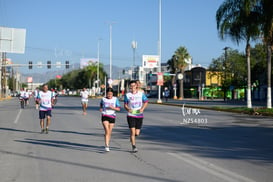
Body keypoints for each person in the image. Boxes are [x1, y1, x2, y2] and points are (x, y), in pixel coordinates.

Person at [124, 80, 148, 152]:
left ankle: (132, 138)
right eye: (131, 86)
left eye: (134, 86)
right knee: (132, 132)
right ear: (129, 87)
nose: (132, 87)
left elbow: (146, 102)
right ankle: (134, 146)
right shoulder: (127, 95)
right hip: (131, 115)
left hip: (139, 115)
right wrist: (128, 109)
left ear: (136, 86)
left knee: (137, 133)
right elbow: (125, 105)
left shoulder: (141, 94)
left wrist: (142, 108)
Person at [100, 87, 121, 152]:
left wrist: (113, 108)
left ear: (113, 94)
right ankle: (107, 145)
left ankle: (107, 142)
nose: (109, 96)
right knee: (107, 130)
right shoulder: (103, 99)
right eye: (108, 94)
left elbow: (118, 109)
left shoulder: (115, 99)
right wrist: (101, 109)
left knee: (109, 132)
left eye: (111, 94)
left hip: (112, 116)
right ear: (106, 94)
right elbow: (101, 105)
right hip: (105, 115)